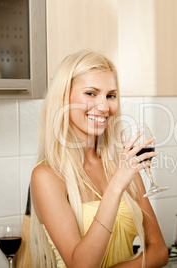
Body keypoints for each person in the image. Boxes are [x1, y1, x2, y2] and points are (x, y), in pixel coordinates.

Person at [30, 50, 169, 268]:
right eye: (91, 94)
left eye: (110, 95)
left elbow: (160, 252)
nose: (104, 106)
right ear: (64, 98)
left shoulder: (121, 165)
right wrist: (115, 188)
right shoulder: (47, 176)